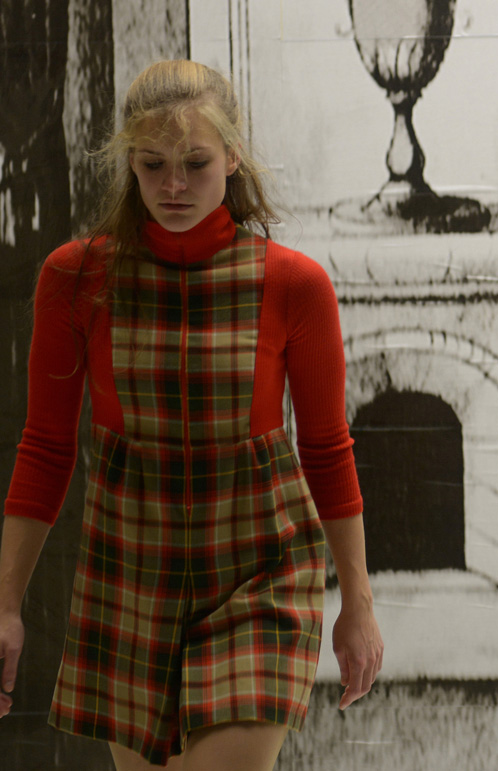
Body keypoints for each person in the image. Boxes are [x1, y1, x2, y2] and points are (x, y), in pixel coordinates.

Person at [0, 60, 383, 770]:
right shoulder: (75, 277)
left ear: (232, 157)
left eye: (195, 163)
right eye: (153, 165)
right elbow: (47, 447)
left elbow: (327, 448)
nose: (173, 185)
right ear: (129, 162)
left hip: (260, 573)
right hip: (129, 574)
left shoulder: (292, 283)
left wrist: (357, 601)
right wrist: (5, 606)